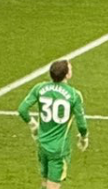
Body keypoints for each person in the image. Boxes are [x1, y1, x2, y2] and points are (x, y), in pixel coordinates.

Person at [17, 58, 89, 189]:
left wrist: (33, 125)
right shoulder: (74, 95)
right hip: (58, 149)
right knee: (53, 186)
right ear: (67, 74)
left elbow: (22, 109)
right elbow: (82, 124)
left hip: (42, 145)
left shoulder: (39, 88)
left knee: (45, 183)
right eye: (70, 68)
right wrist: (84, 137)